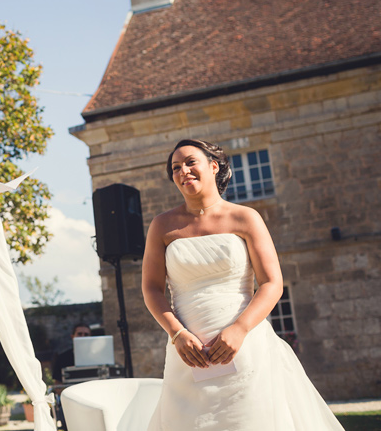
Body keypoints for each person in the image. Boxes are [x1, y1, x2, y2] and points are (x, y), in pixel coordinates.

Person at [142, 139, 342, 430]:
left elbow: (272, 282)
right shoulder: (162, 225)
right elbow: (151, 288)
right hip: (187, 351)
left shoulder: (245, 217)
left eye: (190, 162)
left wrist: (240, 329)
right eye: (175, 167)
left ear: (213, 166)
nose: (182, 170)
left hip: (246, 345)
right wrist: (177, 334)